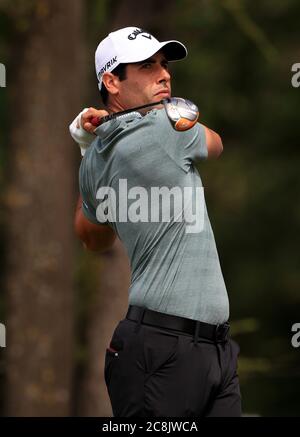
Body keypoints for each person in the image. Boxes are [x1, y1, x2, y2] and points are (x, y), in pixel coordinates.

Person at [69, 26, 241, 417]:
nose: (165, 74)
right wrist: (167, 114)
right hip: (163, 351)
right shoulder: (166, 127)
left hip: (206, 350)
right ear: (111, 81)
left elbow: (94, 240)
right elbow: (215, 144)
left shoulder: (96, 158)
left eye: (164, 64)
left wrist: (85, 150)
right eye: (147, 66)